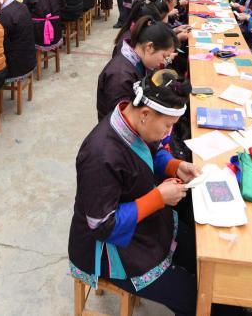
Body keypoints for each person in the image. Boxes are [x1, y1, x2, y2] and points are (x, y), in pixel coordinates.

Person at [69, 71, 207, 316]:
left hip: (142, 223)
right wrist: (158, 198)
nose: (169, 132)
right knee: (198, 301)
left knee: (201, 256)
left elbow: (153, 151)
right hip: (110, 249)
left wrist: (174, 166)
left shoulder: (130, 120)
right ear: (145, 114)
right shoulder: (100, 155)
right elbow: (102, 225)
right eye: (168, 125)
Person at [97, 17, 178, 121]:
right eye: (164, 56)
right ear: (150, 47)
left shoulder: (137, 60)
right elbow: (122, 120)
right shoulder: (119, 76)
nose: (164, 61)